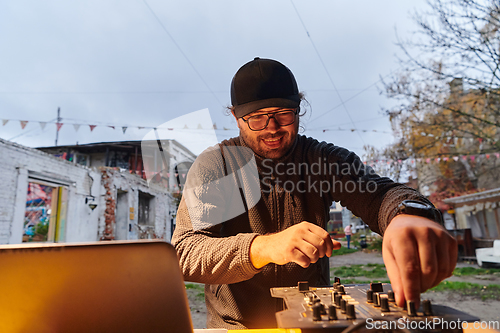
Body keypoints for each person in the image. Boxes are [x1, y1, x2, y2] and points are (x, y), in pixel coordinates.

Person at [172, 57, 457, 329]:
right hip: (238, 327)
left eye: (284, 115)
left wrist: (408, 214)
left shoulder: (322, 160)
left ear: (299, 108)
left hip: (314, 321)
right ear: (235, 117)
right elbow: (185, 252)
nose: (272, 128)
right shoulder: (217, 165)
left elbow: (381, 195)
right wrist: (264, 247)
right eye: (256, 118)